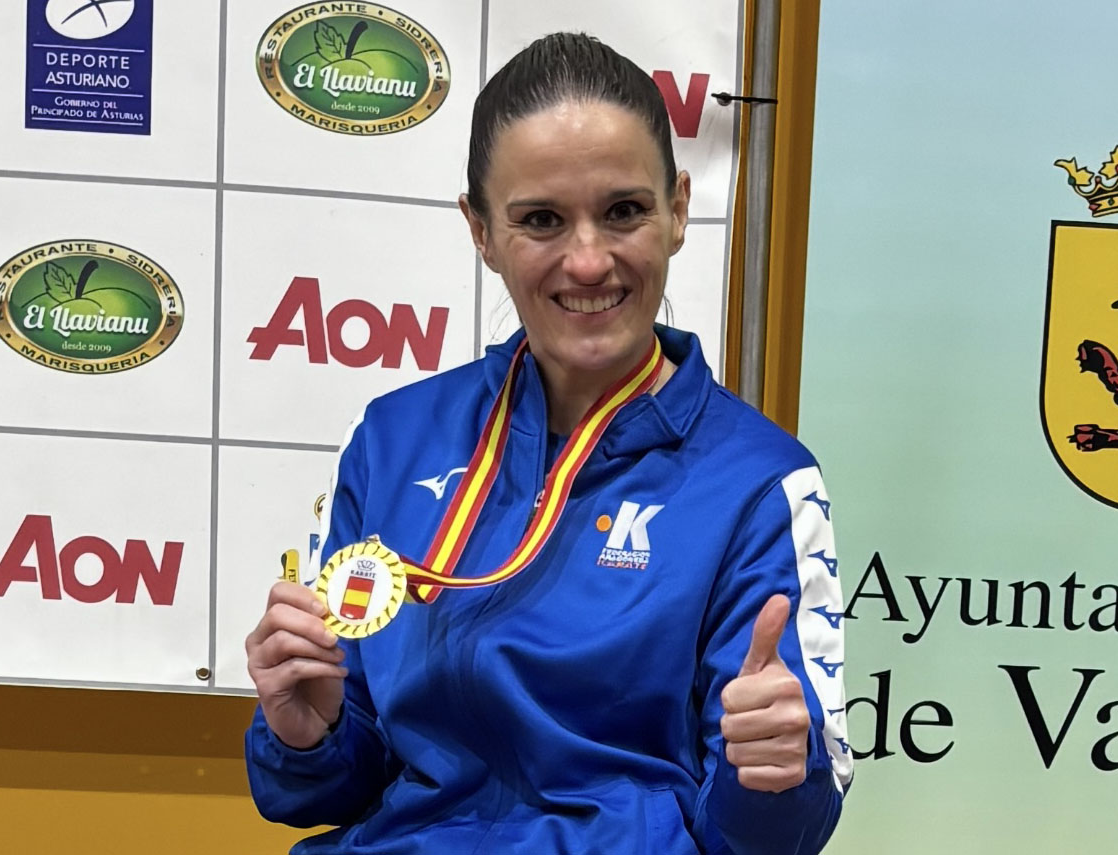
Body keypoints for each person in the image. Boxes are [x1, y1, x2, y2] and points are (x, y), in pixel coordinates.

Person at [245, 32, 852, 855]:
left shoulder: (759, 483)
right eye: (541, 220)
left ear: (678, 209)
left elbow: (769, 842)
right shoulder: (392, 439)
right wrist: (307, 730)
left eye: (624, 211)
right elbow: (320, 792)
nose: (589, 260)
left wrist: (773, 774)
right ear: (481, 230)